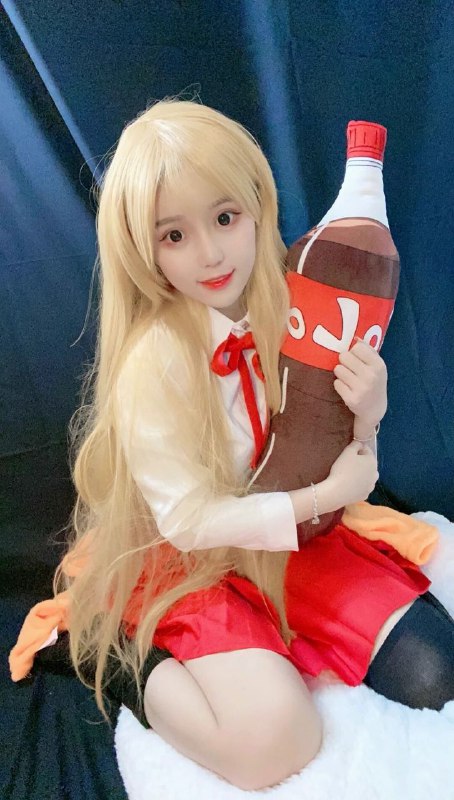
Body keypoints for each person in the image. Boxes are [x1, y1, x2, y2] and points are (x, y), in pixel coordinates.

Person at [11, 99, 454, 792]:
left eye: (225, 218)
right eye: (174, 235)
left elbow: (333, 442)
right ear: (141, 248)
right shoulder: (154, 362)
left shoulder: (293, 295)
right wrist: (321, 496)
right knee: (277, 741)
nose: (212, 254)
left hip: (287, 531)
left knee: (434, 670)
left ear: (257, 206)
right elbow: (188, 522)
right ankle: (123, 660)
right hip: (187, 557)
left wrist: (369, 412)